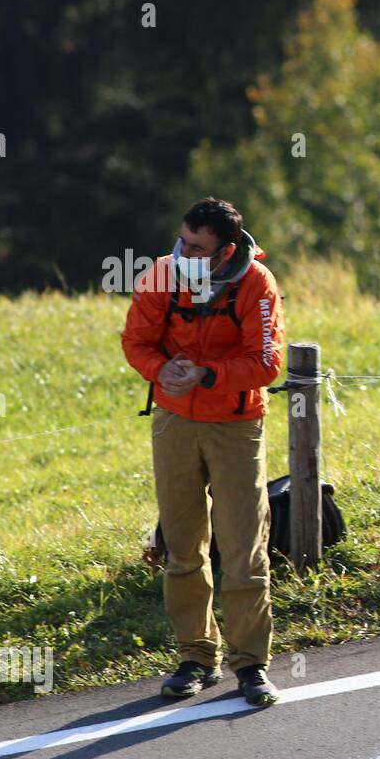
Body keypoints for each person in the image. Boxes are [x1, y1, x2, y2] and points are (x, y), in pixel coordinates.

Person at [121, 198, 286, 707]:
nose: (184, 253)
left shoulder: (257, 284)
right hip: (174, 422)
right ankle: (196, 656)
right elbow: (136, 340)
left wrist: (209, 374)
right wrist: (158, 369)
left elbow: (267, 362)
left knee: (242, 548)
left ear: (226, 250)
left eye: (197, 248)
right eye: (183, 241)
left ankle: (251, 664)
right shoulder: (161, 275)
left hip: (236, 427)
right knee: (183, 547)